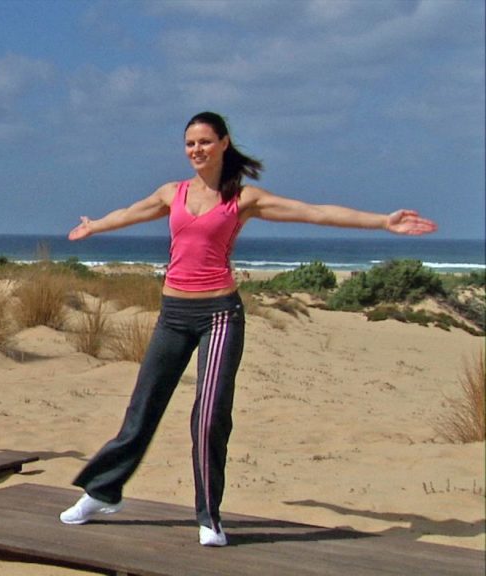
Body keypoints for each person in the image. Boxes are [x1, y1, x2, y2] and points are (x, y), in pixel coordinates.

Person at [58, 112, 437, 546]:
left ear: (223, 143)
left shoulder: (243, 198)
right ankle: (104, 491)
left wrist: (382, 221)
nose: (195, 150)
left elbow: (313, 213)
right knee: (142, 409)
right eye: (189, 144)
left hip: (219, 314)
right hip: (172, 314)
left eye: (203, 142)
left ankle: (208, 516)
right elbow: (131, 213)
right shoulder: (173, 192)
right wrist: (95, 225)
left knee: (209, 413)